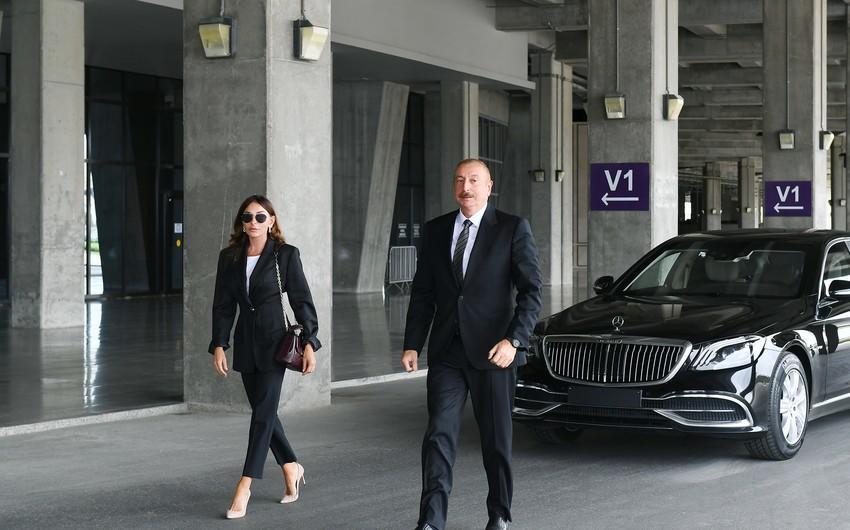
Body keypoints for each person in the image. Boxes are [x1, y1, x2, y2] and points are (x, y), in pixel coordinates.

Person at [402, 159, 543, 530]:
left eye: (474, 180)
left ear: (489, 186)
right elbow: (423, 293)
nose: (466, 187)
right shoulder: (435, 231)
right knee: (438, 436)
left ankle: (499, 513)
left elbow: (531, 291)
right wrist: (413, 343)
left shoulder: (512, 228)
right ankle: (431, 521)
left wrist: (514, 340)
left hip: (495, 353)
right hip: (447, 352)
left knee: (496, 441)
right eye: (460, 180)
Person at [209, 194, 320, 519]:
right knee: (264, 412)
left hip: (275, 343)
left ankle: (244, 485)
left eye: (260, 217)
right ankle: (291, 466)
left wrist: (310, 341)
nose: (253, 222)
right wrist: (220, 343)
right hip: (246, 342)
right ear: (241, 222)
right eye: (247, 217)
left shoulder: (285, 254)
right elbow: (223, 305)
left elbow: (301, 300)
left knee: (261, 415)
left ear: (271, 221)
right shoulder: (229, 257)